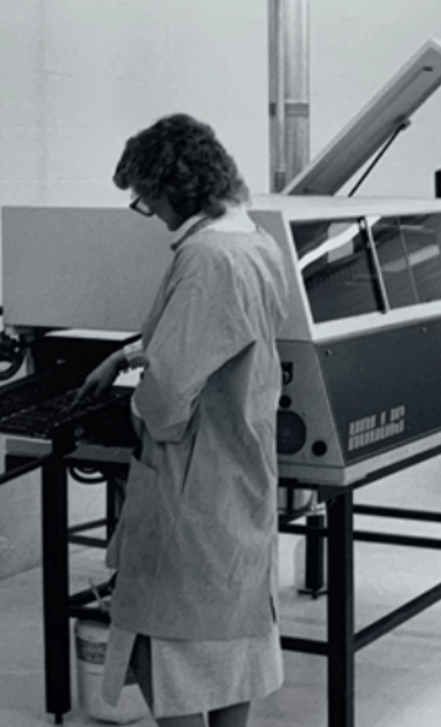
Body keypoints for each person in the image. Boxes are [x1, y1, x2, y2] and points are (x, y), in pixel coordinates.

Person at [74, 113, 290, 727]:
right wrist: (130, 350)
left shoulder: (202, 258)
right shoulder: (258, 243)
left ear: (175, 188)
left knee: (174, 656)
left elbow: (169, 396)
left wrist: (137, 408)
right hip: (243, 470)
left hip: (194, 487)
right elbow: (228, 336)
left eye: (146, 199)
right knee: (233, 646)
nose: (151, 212)